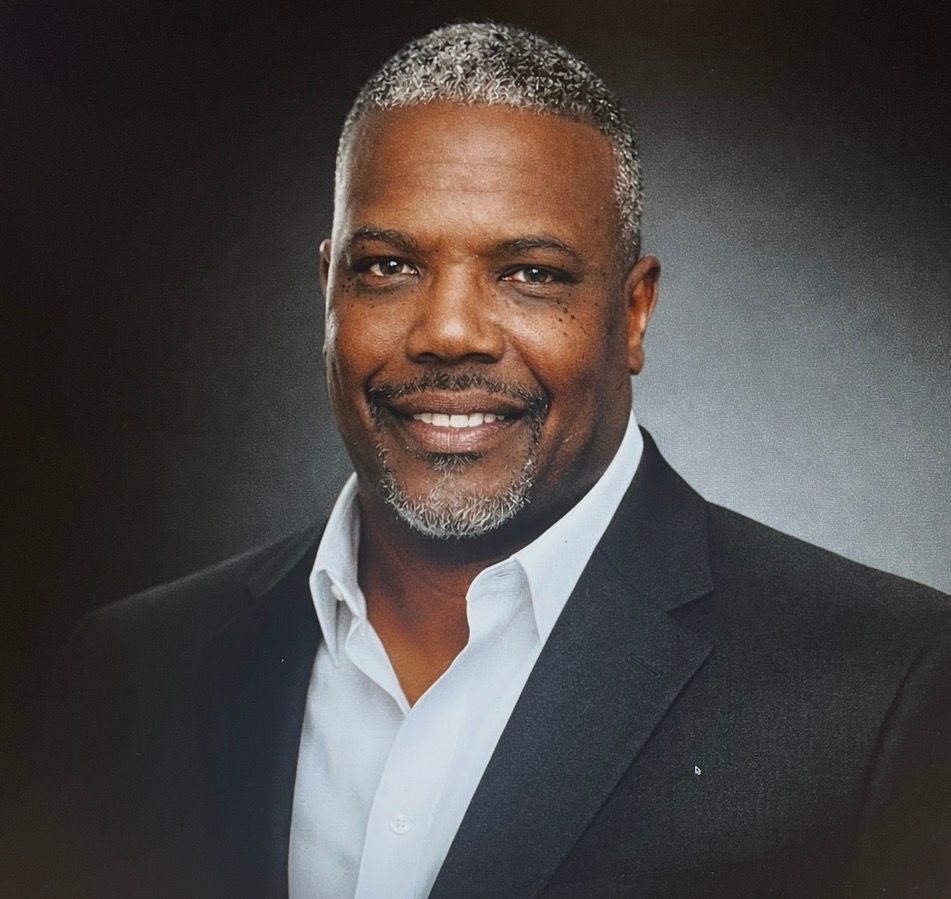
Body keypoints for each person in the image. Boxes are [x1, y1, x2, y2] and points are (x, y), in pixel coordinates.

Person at [40, 22, 951, 898]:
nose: (446, 332)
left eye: (530, 273)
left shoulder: (884, 690)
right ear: (328, 292)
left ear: (632, 314)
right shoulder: (132, 670)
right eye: (389, 266)